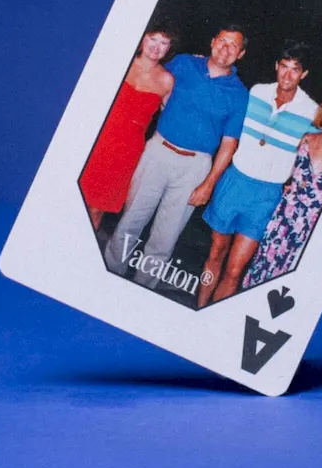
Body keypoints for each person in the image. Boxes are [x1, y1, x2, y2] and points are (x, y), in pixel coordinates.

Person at [104, 26, 250, 288]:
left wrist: (208, 184)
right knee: (130, 221)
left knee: (165, 238)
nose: (225, 48)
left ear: (240, 54)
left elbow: (229, 144)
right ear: (213, 41)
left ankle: (141, 289)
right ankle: (108, 275)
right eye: (222, 41)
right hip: (158, 151)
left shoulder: (239, 94)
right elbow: (154, 78)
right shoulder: (184, 63)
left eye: (233, 45)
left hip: (195, 168)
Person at [197, 41, 319, 307]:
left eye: (295, 69)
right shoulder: (256, 92)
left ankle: (212, 318)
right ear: (276, 66)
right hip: (235, 181)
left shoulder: (311, 111)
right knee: (215, 254)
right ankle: (199, 308)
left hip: (266, 195)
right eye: (283, 67)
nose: (287, 75)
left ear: (304, 74)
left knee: (234, 269)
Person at [242, 91, 322, 289]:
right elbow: (288, 173)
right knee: (261, 273)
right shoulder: (306, 140)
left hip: (312, 228)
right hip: (283, 221)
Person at [79, 21, 177, 231]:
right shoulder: (121, 63)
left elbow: (171, 118)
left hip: (126, 150)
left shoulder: (167, 80)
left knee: (97, 209)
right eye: (152, 39)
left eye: (164, 42)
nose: (156, 47)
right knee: (76, 199)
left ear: (169, 48)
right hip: (97, 140)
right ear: (142, 39)